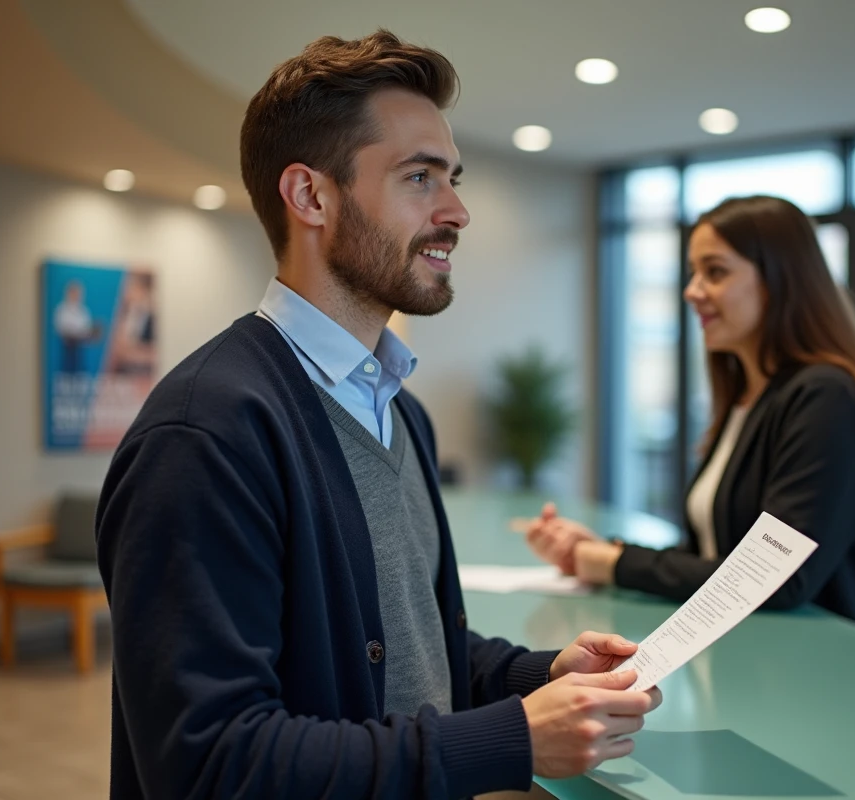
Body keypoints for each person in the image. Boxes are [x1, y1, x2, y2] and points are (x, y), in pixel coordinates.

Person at [95, 31, 660, 800]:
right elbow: (210, 763)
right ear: (311, 197)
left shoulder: (399, 410)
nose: (457, 210)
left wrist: (540, 673)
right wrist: (511, 739)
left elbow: (417, 647)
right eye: (420, 177)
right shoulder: (208, 434)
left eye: (451, 178)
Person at [526, 195, 855, 635]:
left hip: (824, 679)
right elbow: (717, 556)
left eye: (715, 272)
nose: (692, 290)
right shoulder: (748, 398)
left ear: (780, 280)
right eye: (695, 272)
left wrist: (609, 562)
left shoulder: (828, 395)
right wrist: (605, 551)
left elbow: (775, 579)